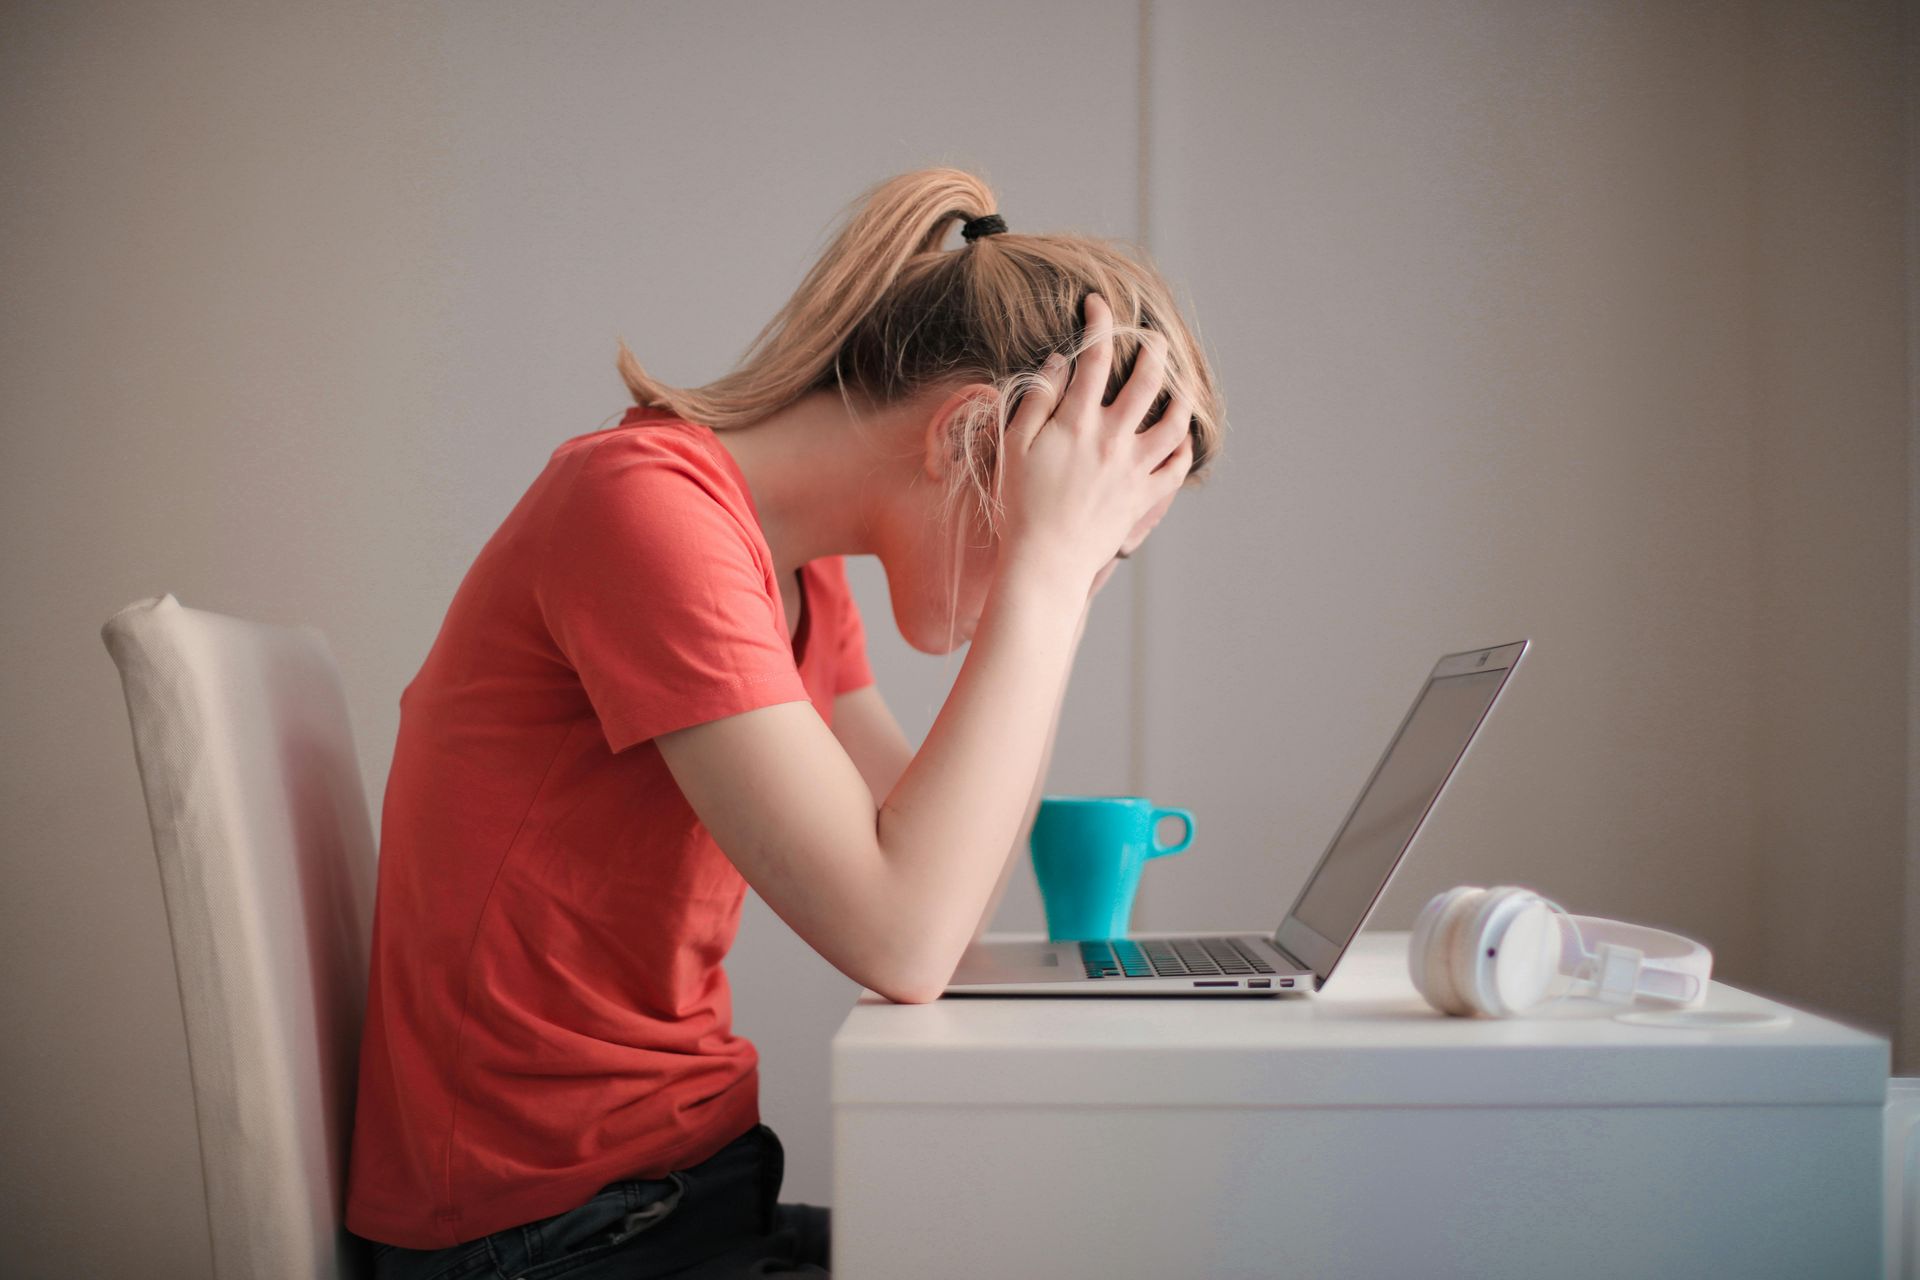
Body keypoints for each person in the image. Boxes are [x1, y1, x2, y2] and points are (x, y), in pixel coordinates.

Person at [343, 166, 1224, 1278]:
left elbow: (948, 907)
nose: (1078, 561)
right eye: (1082, 522)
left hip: (678, 1195)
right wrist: (1042, 584)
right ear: (963, 436)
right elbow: (901, 937)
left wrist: (1053, 582)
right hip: (547, 1238)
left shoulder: (797, 580)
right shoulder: (644, 513)